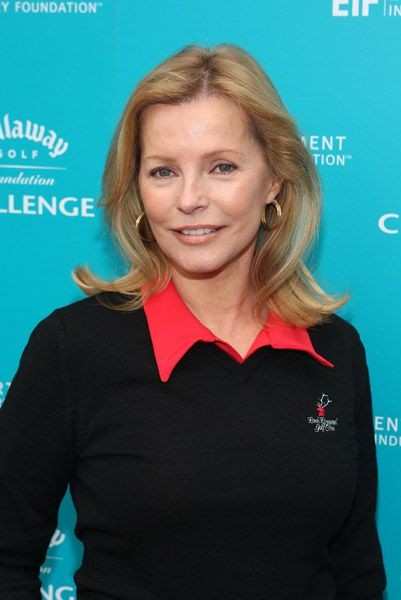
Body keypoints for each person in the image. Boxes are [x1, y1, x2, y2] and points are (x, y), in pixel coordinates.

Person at [0, 44, 386, 599]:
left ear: (275, 179)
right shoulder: (72, 347)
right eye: (163, 171)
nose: (189, 199)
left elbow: (356, 572)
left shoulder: (336, 348)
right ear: (137, 188)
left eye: (222, 167)